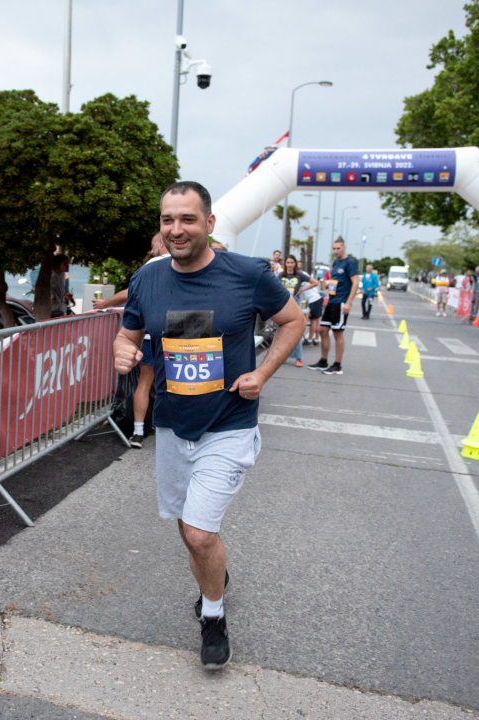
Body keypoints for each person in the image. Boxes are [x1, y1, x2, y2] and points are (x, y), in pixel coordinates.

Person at [115, 180, 304, 670]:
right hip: (174, 426)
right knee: (189, 527)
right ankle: (215, 572)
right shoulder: (147, 279)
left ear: (210, 224)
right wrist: (123, 350)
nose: (176, 230)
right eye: (167, 220)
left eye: (188, 219)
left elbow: (294, 321)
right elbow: (128, 333)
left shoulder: (248, 274)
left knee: (199, 533)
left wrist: (261, 374)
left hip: (229, 424)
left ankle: (214, 617)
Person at [92, 235, 171, 448]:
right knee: (170, 382)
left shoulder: (152, 266)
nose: (152, 246)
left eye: (153, 242)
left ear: (160, 244)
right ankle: (169, 429)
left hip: (148, 335)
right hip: (176, 336)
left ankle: (138, 431)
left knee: (144, 383)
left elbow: (128, 294)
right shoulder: (184, 263)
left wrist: (103, 303)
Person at [309, 238, 359, 375]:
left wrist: (348, 302)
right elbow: (334, 281)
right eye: (334, 248)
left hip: (341, 302)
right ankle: (323, 361)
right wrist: (326, 285)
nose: (336, 251)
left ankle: (337, 365)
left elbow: (355, 283)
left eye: (338, 248)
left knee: (337, 333)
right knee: (323, 330)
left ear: (344, 248)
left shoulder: (350, 262)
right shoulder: (335, 262)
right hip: (331, 301)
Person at [279, 255, 311, 366]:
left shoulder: (299, 275)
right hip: (283, 303)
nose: (290, 265)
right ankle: (284, 356)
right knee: (283, 331)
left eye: (292, 262)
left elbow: (314, 282)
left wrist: (302, 290)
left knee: (296, 330)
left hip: (295, 303)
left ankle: (298, 357)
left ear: (295, 264)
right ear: (285, 264)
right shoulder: (281, 275)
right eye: (288, 262)